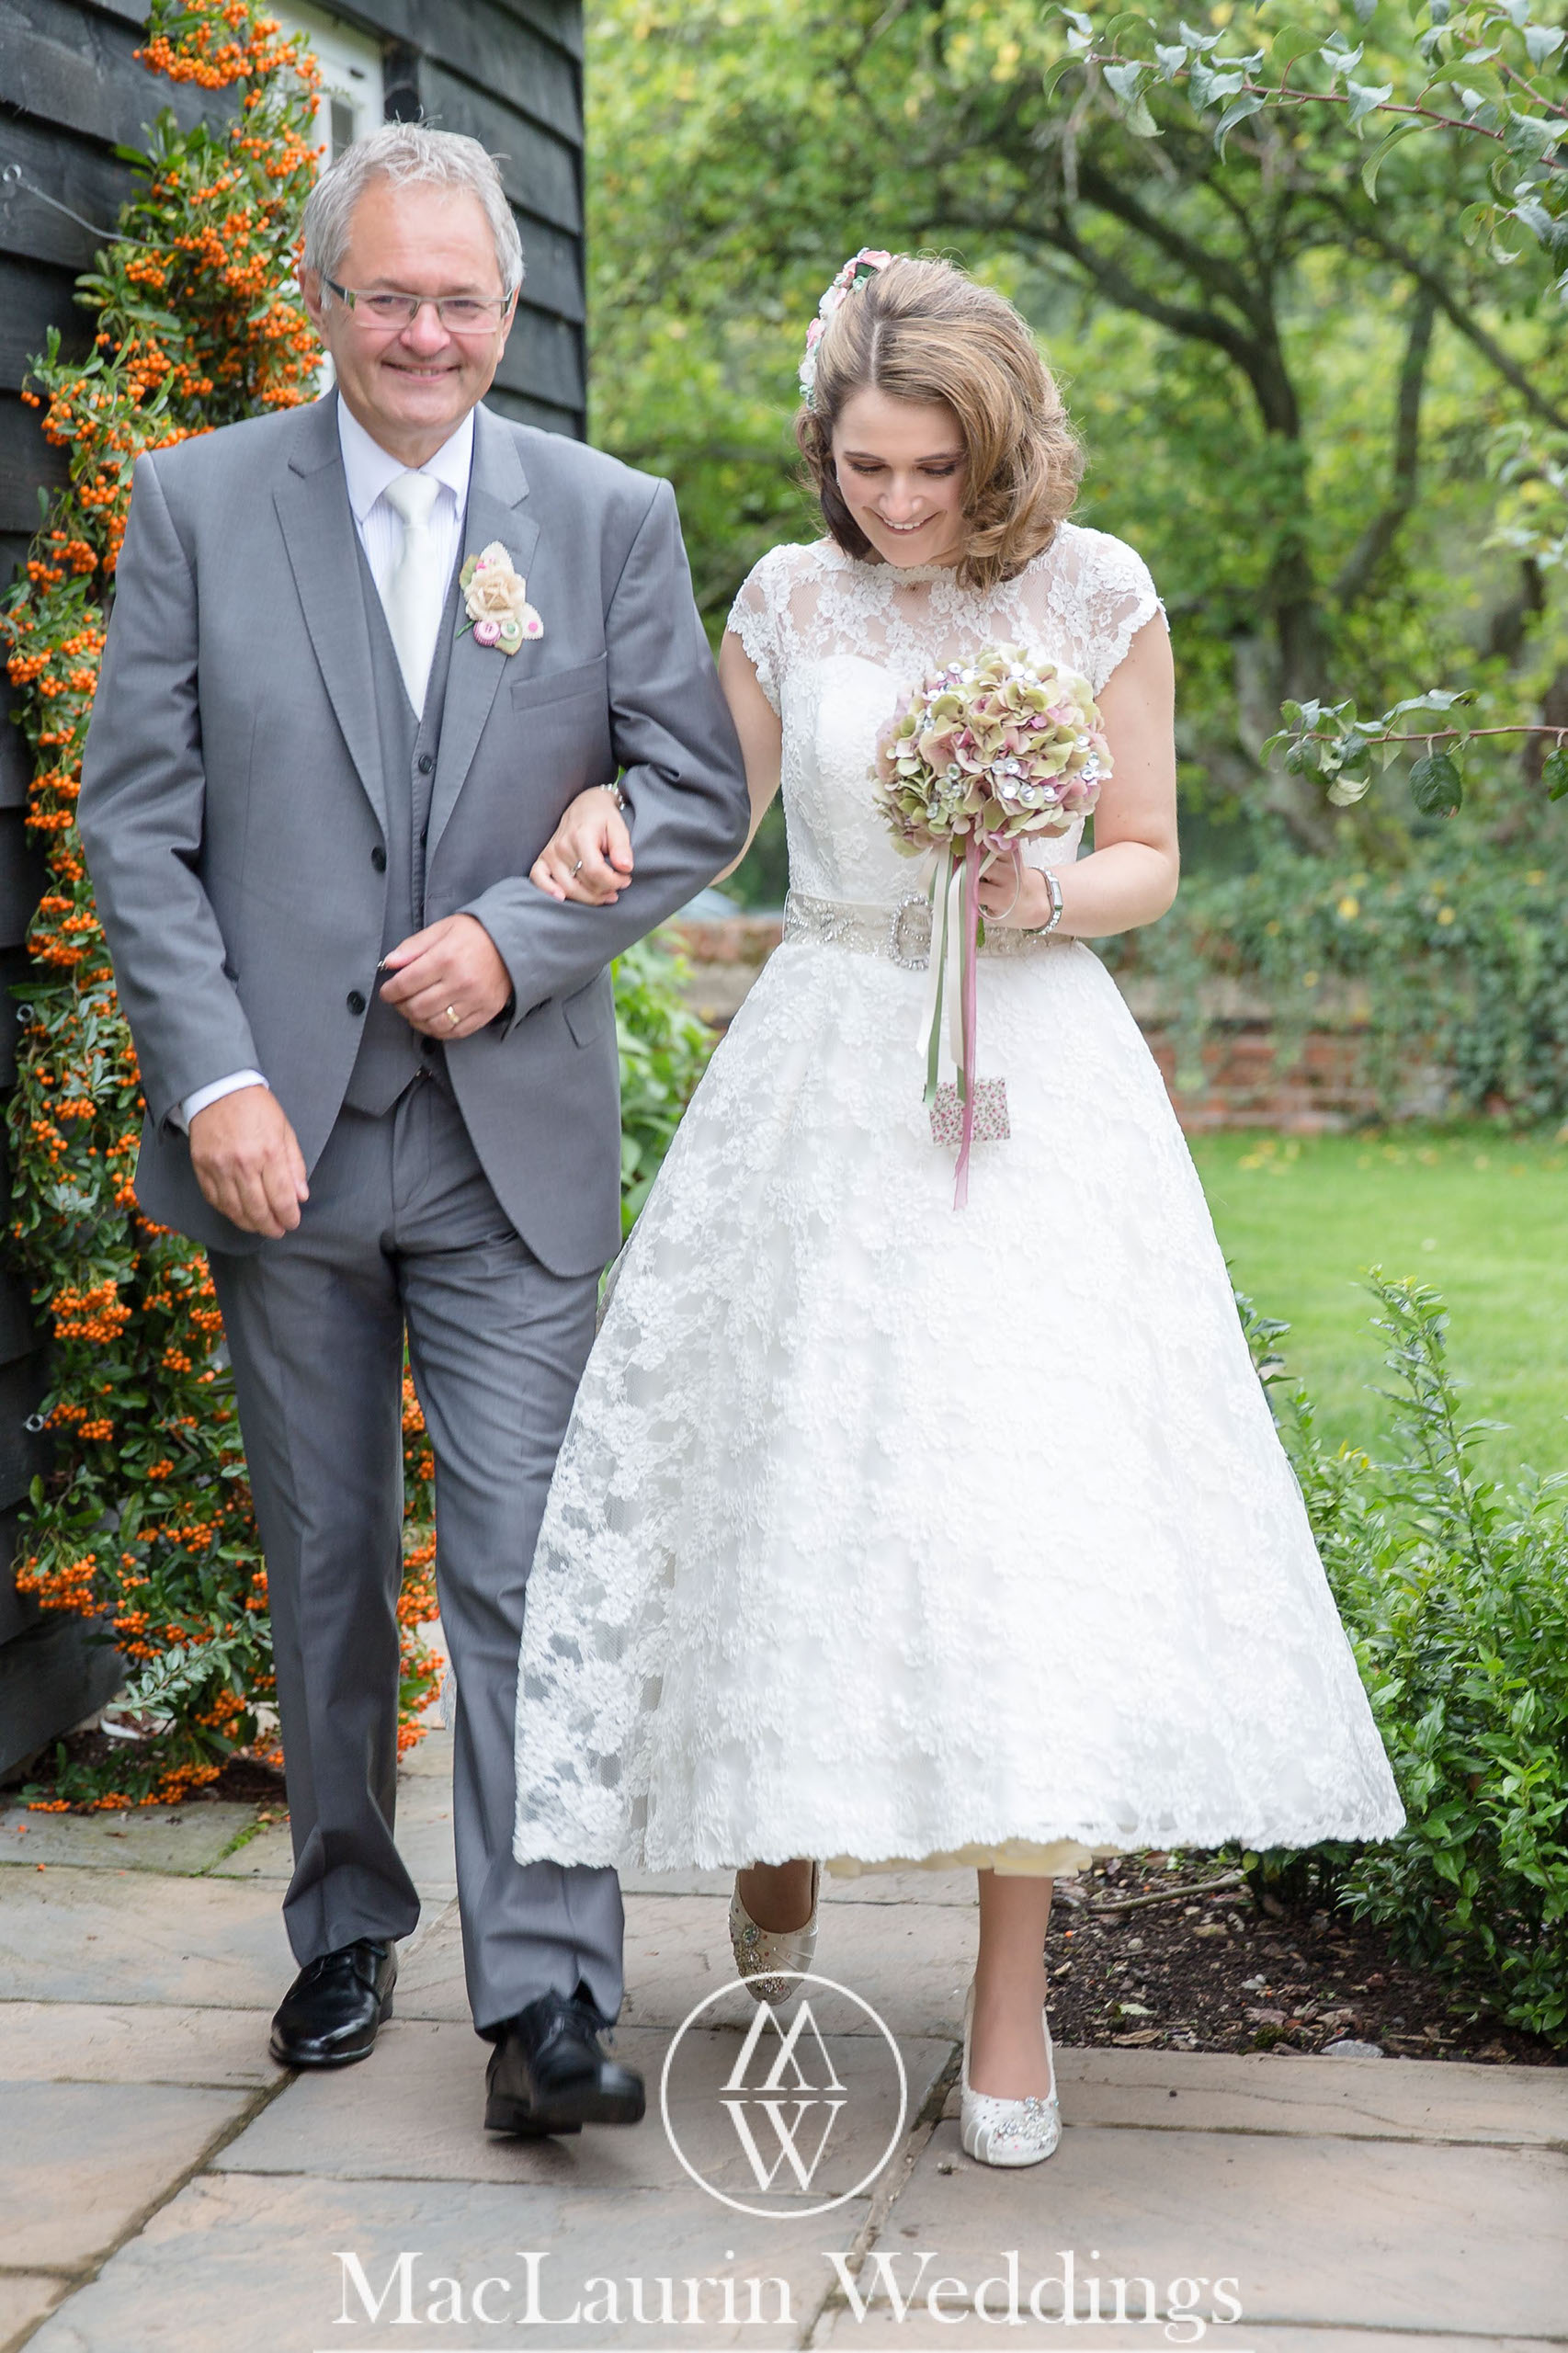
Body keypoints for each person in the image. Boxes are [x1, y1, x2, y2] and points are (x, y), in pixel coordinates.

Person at [511, 251, 1403, 2168]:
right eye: (864, 468)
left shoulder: (1101, 591)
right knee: (801, 1464)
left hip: (1036, 1077)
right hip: (828, 1053)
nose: (893, 506)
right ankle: (775, 1859)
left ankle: (1009, 1999)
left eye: (929, 472)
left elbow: (1150, 854)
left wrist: (1038, 892)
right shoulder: (784, 592)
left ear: (998, 452)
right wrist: (599, 819)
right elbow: (708, 812)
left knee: (1016, 1508)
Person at [76, 124, 748, 2137]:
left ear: (510, 312)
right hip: (279, 1134)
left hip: (504, 1141)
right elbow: (138, 824)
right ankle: (343, 1922)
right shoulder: (197, 506)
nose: (426, 331)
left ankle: (545, 1992)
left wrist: (527, 934)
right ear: (323, 298)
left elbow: (693, 790)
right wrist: (217, 1088)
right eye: (390, 295)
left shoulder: (606, 515)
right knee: (327, 1554)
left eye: (462, 300)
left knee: (531, 1554)